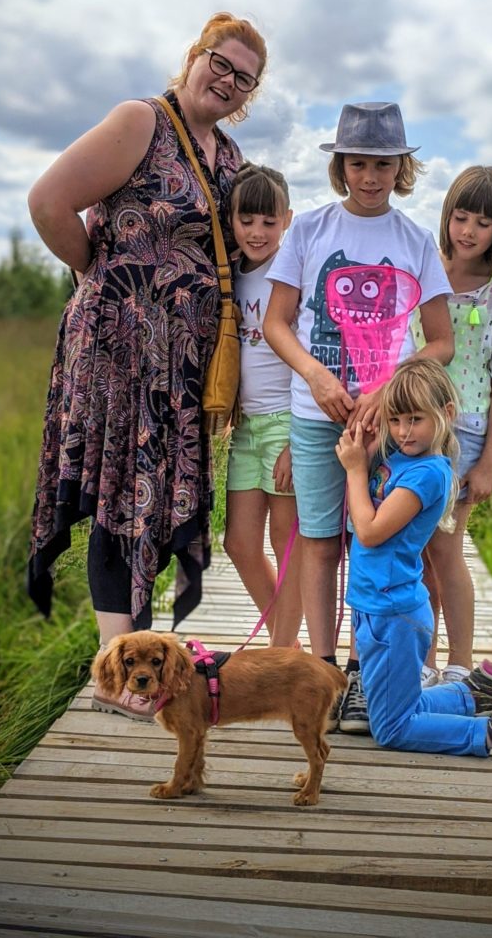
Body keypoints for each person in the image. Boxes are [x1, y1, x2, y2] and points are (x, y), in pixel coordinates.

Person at [26, 12, 267, 719]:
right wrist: (101, 277)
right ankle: (114, 673)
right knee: (119, 495)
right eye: (219, 63)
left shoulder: (230, 158)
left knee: (156, 500)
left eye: (243, 78)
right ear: (194, 56)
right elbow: (48, 202)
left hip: (183, 368)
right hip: (120, 354)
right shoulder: (142, 122)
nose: (227, 81)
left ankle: (138, 663)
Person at [263, 102, 454, 734]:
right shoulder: (310, 230)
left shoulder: (415, 241)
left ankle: (364, 672)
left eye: (383, 164)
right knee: (320, 541)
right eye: (358, 163)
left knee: (372, 540)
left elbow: (441, 341)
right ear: (341, 166)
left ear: (401, 168)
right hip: (316, 415)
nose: (370, 177)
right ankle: (322, 674)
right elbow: (277, 323)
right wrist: (315, 376)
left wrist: (390, 388)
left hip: (388, 424)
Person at [335, 358, 492, 760]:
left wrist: (356, 471)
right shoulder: (402, 459)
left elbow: (370, 531)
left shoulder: (429, 473)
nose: (404, 431)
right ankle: (474, 693)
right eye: (395, 420)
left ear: (445, 414)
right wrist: (367, 445)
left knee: (391, 728)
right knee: (390, 707)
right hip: (375, 605)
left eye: (415, 419)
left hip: (394, 614)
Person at [412, 166, 492, 687]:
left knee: (444, 549)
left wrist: (489, 465)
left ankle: (459, 663)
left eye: (483, 223)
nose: (468, 231)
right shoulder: (424, 271)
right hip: (410, 428)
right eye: (460, 217)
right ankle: (422, 659)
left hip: (464, 434)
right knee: (413, 551)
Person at [222, 162, 302, 647]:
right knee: (239, 543)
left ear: (287, 220)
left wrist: (299, 440)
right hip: (247, 426)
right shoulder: (230, 274)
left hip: (288, 422)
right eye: (246, 220)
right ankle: (287, 646)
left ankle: (280, 656)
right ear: (231, 219)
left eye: (269, 222)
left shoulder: (292, 276)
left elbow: (312, 354)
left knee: (285, 543)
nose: (257, 232)